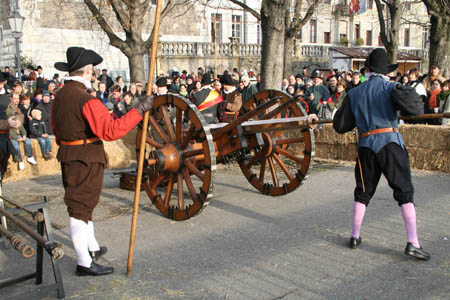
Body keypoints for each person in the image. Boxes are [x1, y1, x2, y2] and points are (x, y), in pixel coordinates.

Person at [52, 46, 154, 276]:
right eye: (93, 69)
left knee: (84, 206)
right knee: (79, 209)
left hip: (69, 155)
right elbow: (111, 131)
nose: (95, 72)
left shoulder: (60, 96)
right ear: (88, 71)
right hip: (86, 159)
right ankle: (84, 263)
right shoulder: (85, 99)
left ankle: (92, 249)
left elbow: (57, 131)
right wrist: (138, 110)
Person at [333, 48, 430, 261]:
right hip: (390, 144)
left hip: (366, 146)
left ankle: (355, 236)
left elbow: (340, 126)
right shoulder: (392, 87)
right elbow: (416, 111)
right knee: (404, 192)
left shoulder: (354, 93)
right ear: (385, 71)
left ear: (367, 69)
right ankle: (413, 242)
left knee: (363, 191)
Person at [7, 93, 38, 170]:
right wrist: (16, 138)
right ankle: (20, 161)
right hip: (12, 135)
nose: (16, 100)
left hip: (19, 133)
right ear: (11, 98)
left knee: (27, 141)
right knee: (16, 146)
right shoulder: (8, 110)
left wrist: (24, 135)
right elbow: (9, 127)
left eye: (17, 98)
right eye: (15, 98)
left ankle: (30, 156)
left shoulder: (18, 109)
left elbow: (20, 125)